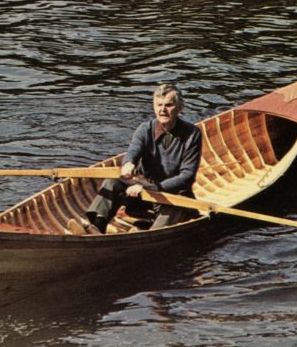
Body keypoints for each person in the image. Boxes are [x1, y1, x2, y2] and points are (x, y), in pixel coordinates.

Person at [67, 83, 203, 235]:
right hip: (144, 192)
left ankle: (145, 233)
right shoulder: (145, 129)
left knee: (165, 220)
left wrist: (155, 188)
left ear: (180, 108)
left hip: (174, 195)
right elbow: (133, 152)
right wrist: (128, 164)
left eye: (168, 105)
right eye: (158, 105)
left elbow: (187, 176)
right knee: (113, 183)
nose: (162, 110)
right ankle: (97, 227)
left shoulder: (193, 134)